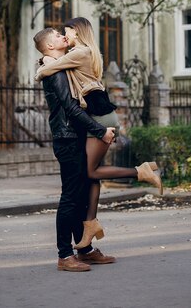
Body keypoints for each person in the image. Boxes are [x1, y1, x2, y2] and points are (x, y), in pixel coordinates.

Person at [35, 17, 162, 249]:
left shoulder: (74, 55)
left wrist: (43, 62)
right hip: (83, 127)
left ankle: (139, 172)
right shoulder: (73, 61)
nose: (65, 35)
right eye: (59, 34)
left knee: (87, 177)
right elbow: (69, 102)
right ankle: (81, 240)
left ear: (78, 32)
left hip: (93, 122)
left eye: (68, 32)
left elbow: (54, 74)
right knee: (83, 184)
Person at [33, 27, 117, 272]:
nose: (63, 37)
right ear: (50, 46)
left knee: (79, 196)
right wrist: (100, 130)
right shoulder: (55, 72)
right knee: (70, 197)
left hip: (75, 136)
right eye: (58, 36)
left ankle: (85, 249)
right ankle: (64, 255)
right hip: (67, 138)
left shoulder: (61, 66)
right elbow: (71, 108)